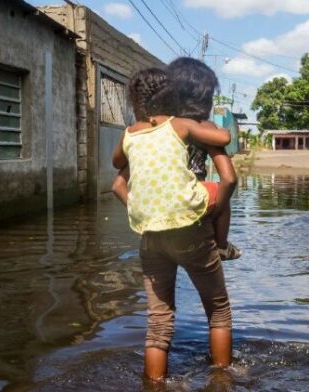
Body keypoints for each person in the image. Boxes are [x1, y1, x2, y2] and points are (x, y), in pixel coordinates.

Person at [112, 67, 235, 382]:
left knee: (158, 324)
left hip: (150, 235)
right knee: (218, 310)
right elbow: (225, 144)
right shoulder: (180, 126)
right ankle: (222, 381)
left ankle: (154, 386)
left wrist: (142, 210)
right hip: (190, 231)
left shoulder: (131, 135)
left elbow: (116, 176)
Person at [113, 58, 241, 261]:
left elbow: (118, 185)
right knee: (211, 289)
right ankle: (223, 247)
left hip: (155, 218)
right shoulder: (204, 128)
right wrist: (216, 212)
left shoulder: (150, 133)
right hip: (195, 210)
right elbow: (229, 179)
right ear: (205, 99)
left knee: (161, 286)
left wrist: (140, 210)